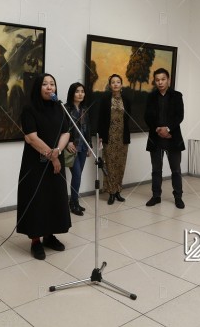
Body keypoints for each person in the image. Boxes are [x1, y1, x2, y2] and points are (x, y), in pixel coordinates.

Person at [16, 73, 71, 260]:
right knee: (37, 199)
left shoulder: (59, 107)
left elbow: (66, 132)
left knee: (54, 197)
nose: (49, 87)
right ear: (38, 88)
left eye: (52, 84)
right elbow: (32, 137)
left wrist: (58, 151)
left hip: (55, 158)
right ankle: (35, 241)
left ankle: (49, 235)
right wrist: (52, 157)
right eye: (45, 84)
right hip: (36, 162)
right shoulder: (29, 109)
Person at [144, 68, 185, 209]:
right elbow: (147, 117)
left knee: (176, 170)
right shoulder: (150, 97)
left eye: (163, 79)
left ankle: (178, 197)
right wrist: (158, 129)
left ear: (168, 80)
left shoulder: (177, 96)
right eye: (157, 80)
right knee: (156, 170)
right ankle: (156, 196)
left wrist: (167, 129)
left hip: (173, 137)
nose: (160, 82)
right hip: (155, 138)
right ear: (154, 81)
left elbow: (179, 116)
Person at [97, 74, 131, 205]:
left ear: (121, 84)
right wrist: (100, 136)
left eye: (118, 82)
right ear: (110, 85)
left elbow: (128, 118)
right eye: (113, 82)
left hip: (122, 138)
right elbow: (100, 118)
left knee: (120, 165)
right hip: (109, 137)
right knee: (109, 165)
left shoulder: (126, 99)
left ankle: (118, 191)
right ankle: (111, 192)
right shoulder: (105, 99)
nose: (115, 84)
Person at [64, 82, 92, 216]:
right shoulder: (65, 109)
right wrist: (67, 142)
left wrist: (89, 145)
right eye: (77, 91)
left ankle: (74, 202)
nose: (80, 94)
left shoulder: (84, 109)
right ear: (72, 93)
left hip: (83, 146)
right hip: (72, 147)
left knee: (78, 175)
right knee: (77, 174)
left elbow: (87, 129)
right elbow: (62, 128)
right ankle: (73, 203)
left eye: (82, 91)